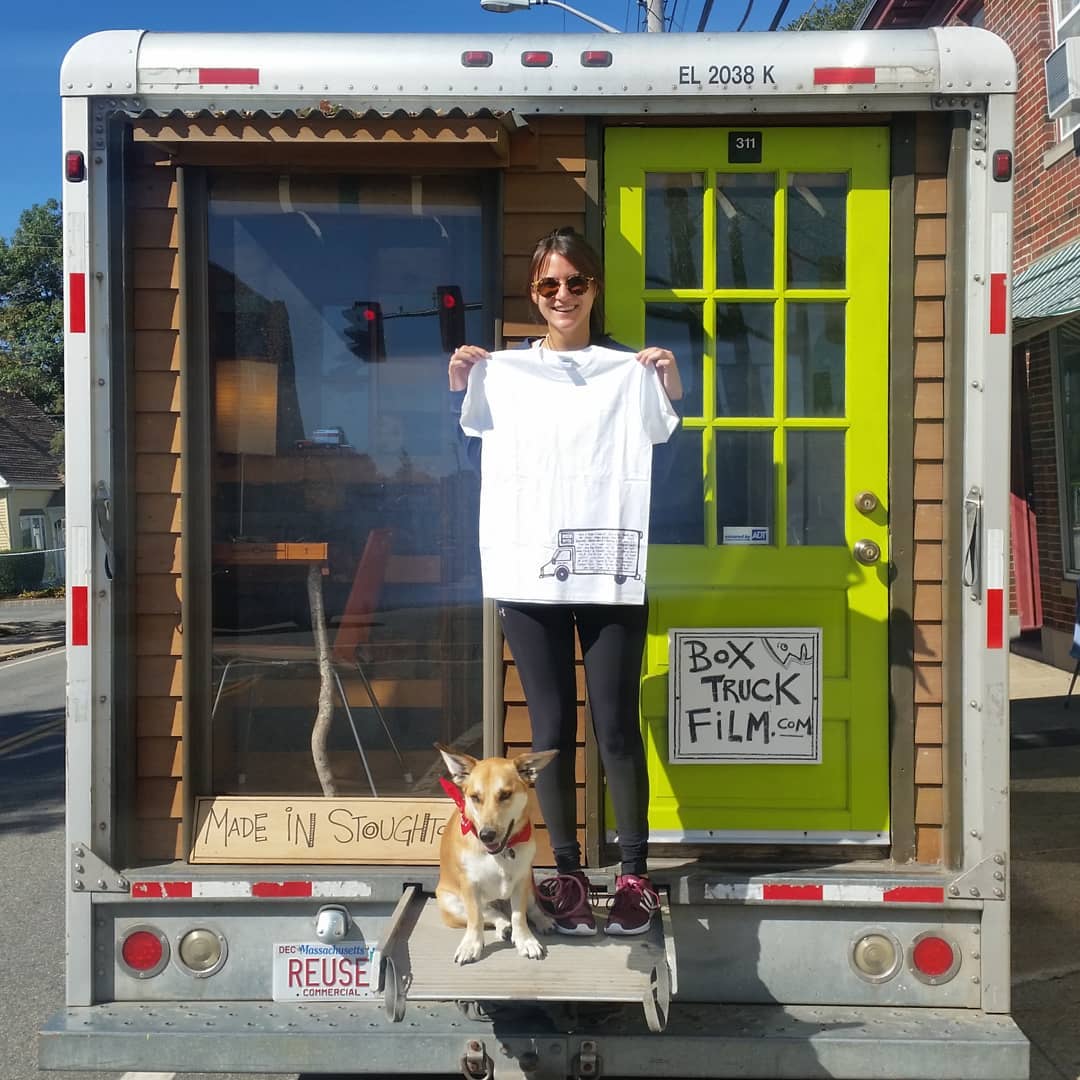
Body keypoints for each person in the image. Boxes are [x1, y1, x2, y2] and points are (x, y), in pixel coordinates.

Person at [448, 227, 682, 936]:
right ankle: (570, 874)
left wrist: (668, 390)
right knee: (549, 731)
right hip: (529, 577)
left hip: (611, 575)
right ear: (533, 295)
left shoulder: (627, 370)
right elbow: (468, 461)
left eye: (575, 283)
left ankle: (635, 875)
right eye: (549, 286)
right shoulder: (507, 373)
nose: (562, 297)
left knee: (614, 727)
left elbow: (661, 467)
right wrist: (462, 387)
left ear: (594, 288)